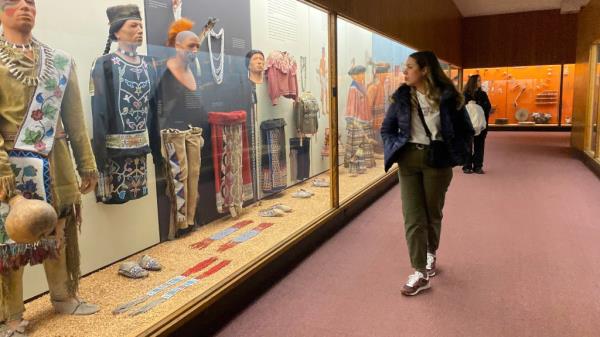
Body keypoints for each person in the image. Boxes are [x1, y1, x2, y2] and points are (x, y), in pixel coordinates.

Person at [0, 1, 100, 335]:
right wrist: (1, 173)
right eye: (14, 3)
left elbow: (75, 118)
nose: (24, 8)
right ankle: (12, 316)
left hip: (56, 161)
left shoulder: (59, 61)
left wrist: (87, 163)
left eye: (30, 2)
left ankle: (62, 295)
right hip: (11, 166)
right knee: (10, 242)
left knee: (60, 229)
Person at [381, 51, 473, 296]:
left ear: (424, 70)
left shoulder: (448, 97)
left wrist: (457, 153)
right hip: (408, 160)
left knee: (432, 213)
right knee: (413, 216)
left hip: (438, 160)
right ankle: (419, 271)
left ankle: (431, 253)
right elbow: (386, 128)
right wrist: (394, 148)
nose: (404, 71)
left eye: (409, 67)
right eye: (405, 67)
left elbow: (466, 130)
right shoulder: (401, 97)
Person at [462, 74, 491, 174]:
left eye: (480, 80)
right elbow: (460, 108)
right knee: (468, 145)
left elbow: (488, 107)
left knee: (479, 145)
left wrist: (478, 107)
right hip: (468, 125)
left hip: (481, 124)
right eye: (478, 80)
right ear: (473, 82)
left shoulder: (483, 94)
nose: (480, 82)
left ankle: (478, 166)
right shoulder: (465, 94)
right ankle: (467, 166)